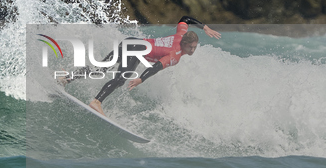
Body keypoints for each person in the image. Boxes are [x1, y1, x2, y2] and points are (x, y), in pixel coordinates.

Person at [61, 16, 221, 116]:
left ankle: (67, 78)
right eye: (190, 47)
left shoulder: (181, 34)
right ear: (184, 44)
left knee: (100, 69)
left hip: (131, 42)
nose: (192, 50)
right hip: (134, 50)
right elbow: (156, 67)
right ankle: (96, 102)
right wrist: (141, 79)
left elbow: (185, 19)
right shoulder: (175, 55)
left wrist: (204, 27)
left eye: (194, 47)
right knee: (119, 80)